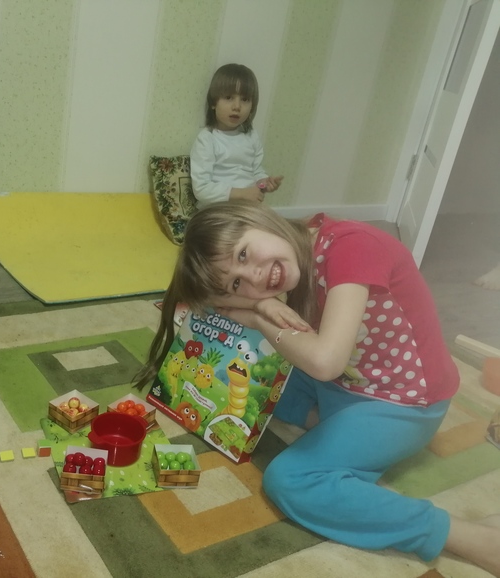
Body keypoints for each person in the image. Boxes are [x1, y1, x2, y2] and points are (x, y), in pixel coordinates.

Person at [136, 200, 500, 576]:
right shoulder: (292, 255)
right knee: (240, 377)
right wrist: (259, 306)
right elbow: (217, 312)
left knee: (291, 480)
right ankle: (326, 426)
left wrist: (260, 319)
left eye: (243, 254)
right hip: (344, 386)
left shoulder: (351, 246)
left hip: (405, 404)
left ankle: (471, 537)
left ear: (258, 218)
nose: (256, 276)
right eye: (237, 284)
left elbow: (326, 362)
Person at [190, 63, 283, 210]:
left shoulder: (251, 136)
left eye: (245, 99)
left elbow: (256, 171)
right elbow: (201, 189)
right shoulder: (207, 139)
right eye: (229, 97)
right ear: (213, 103)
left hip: (246, 207)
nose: (237, 106)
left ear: (252, 106)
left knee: (276, 222)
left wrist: (264, 182)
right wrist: (241, 194)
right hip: (217, 209)